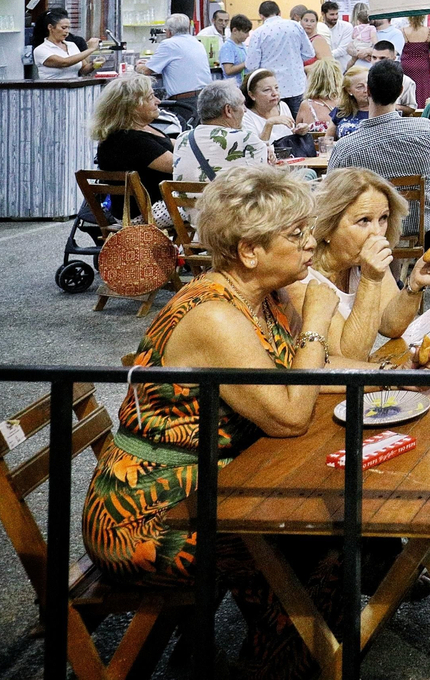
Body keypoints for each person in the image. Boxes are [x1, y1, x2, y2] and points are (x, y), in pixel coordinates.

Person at [81, 167, 378, 680]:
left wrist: (396, 380)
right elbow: (288, 415)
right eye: (295, 234)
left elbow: (304, 378)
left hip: (221, 489)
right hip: (148, 514)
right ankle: (288, 663)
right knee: (301, 548)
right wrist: (314, 324)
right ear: (248, 251)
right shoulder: (213, 316)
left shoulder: (265, 297)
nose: (311, 244)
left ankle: (281, 661)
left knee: (325, 539)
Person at [288, 167, 430, 360]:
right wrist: (370, 280)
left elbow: (391, 325)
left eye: (383, 218)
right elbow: (350, 358)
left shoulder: (359, 261)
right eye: (364, 220)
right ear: (327, 227)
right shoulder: (301, 278)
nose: (377, 232)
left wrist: (414, 284)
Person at [328, 59, 430, 237]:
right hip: (422, 221)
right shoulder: (427, 130)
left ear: (368, 90)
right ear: (401, 91)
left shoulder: (346, 147)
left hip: (371, 228)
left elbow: (331, 193)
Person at [91, 74, 175, 209]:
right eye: (150, 97)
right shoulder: (129, 140)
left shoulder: (138, 130)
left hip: (155, 204)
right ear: (131, 106)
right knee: (213, 206)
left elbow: (178, 144)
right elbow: (178, 165)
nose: (158, 101)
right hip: (147, 210)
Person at [173, 80, 271, 183]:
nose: (245, 110)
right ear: (228, 110)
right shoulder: (246, 138)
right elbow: (261, 186)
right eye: (242, 104)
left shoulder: (182, 138)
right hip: (222, 199)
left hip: (182, 199)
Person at [137, 14, 214, 128]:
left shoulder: (168, 44)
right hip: (204, 97)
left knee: (184, 135)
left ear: (169, 32)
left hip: (185, 101)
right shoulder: (196, 42)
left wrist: (137, 66)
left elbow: (147, 70)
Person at [244, 0, 315, 116]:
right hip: (296, 84)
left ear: (261, 16)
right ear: (280, 13)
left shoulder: (258, 33)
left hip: (271, 89)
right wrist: (294, 58)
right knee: (298, 123)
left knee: (277, 125)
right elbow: (309, 53)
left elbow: (251, 65)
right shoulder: (295, 26)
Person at [242, 69, 310, 151]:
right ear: (252, 95)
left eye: (276, 88)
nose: (275, 93)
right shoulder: (246, 116)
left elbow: (291, 137)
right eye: (267, 90)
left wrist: (299, 131)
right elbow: (255, 152)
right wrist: (269, 124)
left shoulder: (283, 106)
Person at [35, 7, 108, 79]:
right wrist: (90, 49)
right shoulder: (41, 49)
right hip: (53, 89)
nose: (67, 31)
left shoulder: (71, 45)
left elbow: (83, 70)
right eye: (63, 28)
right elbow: (65, 62)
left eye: (68, 28)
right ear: (50, 27)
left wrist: (93, 64)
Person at [369, 39, 419, 109]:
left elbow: (411, 108)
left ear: (394, 58)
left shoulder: (406, 81)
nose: (377, 61)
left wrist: (390, 107)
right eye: (374, 57)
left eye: (382, 58)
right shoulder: (364, 79)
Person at [333, 66, 372, 139]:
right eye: (360, 87)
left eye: (369, 84)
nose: (366, 90)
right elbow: (328, 139)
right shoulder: (341, 110)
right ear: (349, 91)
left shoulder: (381, 110)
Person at [399, 15, 430, 96]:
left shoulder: (403, 31)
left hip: (407, 64)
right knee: (423, 88)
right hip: (423, 64)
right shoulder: (428, 30)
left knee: (407, 88)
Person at [345, 2, 378, 71]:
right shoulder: (372, 28)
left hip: (353, 62)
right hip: (368, 64)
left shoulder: (353, 28)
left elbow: (350, 43)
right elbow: (375, 42)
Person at [321, 1, 352, 71]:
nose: (335, 17)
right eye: (332, 14)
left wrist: (324, 55)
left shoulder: (346, 27)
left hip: (343, 69)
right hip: (325, 70)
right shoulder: (319, 28)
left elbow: (343, 50)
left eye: (336, 14)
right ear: (323, 14)